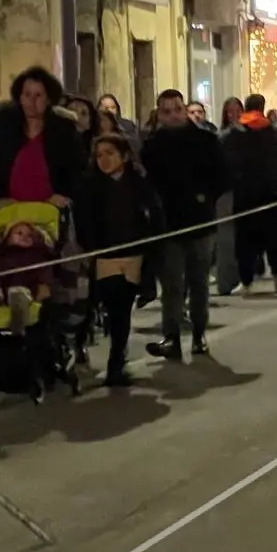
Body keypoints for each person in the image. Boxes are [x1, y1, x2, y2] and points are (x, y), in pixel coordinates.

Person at [140, 89, 227, 359]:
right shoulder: (152, 146)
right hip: (168, 225)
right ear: (159, 114)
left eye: (177, 109)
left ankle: (199, 335)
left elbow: (222, 176)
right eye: (166, 111)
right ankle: (171, 337)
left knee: (199, 282)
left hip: (200, 223)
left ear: (184, 109)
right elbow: (147, 184)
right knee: (171, 284)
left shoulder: (206, 140)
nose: (173, 115)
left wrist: (206, 197)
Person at [74, 133, 163, 385]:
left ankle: (116, 362)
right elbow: (83, 222)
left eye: (109, 153)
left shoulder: (139, 183)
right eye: (99, 154)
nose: (104, 160)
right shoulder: (90, 186)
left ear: (124, 155)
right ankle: (93, 356)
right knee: (107, 308)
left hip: (133, 256)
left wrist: (151, 251)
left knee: (121, 311)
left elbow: (155, 217)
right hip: (105, 257)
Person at [221, 93, 277, 295]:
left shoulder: (234, 132)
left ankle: (246, 282)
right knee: (275, 238)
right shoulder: (271, 129)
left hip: (244, 192)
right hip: (270, 191)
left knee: (244, 240)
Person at [0, 67, 86, 212]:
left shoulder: (64, 131)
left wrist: (64, 196)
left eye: (38, 95)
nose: (31, 101)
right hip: (9, 212)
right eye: (27, 94)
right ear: (20, 97)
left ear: (48, 99)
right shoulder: (3, 127)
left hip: (51, 211)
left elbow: (76, 173)